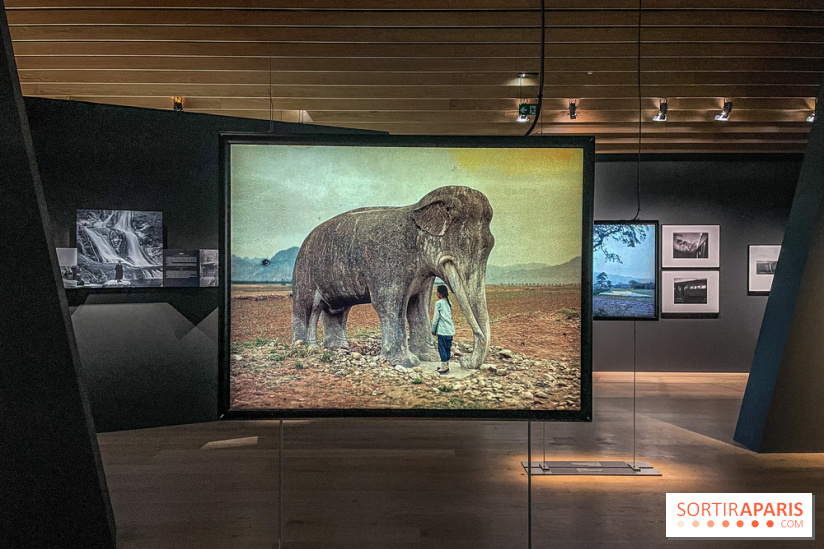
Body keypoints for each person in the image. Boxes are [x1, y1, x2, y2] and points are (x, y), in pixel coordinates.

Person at [431, 284, 455, 375]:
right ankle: (446, 366)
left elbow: (436, 317)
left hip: (442, 330)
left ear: (439, 294)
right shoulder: (449, 303)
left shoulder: (439, 303)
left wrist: (433, 329)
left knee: (442, 349)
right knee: (447, 348)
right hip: (450, 330)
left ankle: (444, 368)